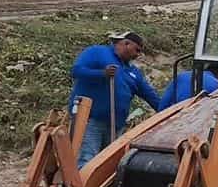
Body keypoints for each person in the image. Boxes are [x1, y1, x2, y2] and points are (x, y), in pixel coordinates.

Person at [69, 30, 162, 168]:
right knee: (87, 160)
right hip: (90, 120)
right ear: (126, 43)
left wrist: (170, 111)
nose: (138, 55)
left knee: (108, 166)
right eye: (137, 50)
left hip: (116, 126)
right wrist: (102, 73)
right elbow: (76, 71)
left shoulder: (132, 71)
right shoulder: (98, 52)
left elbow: (150, 95)